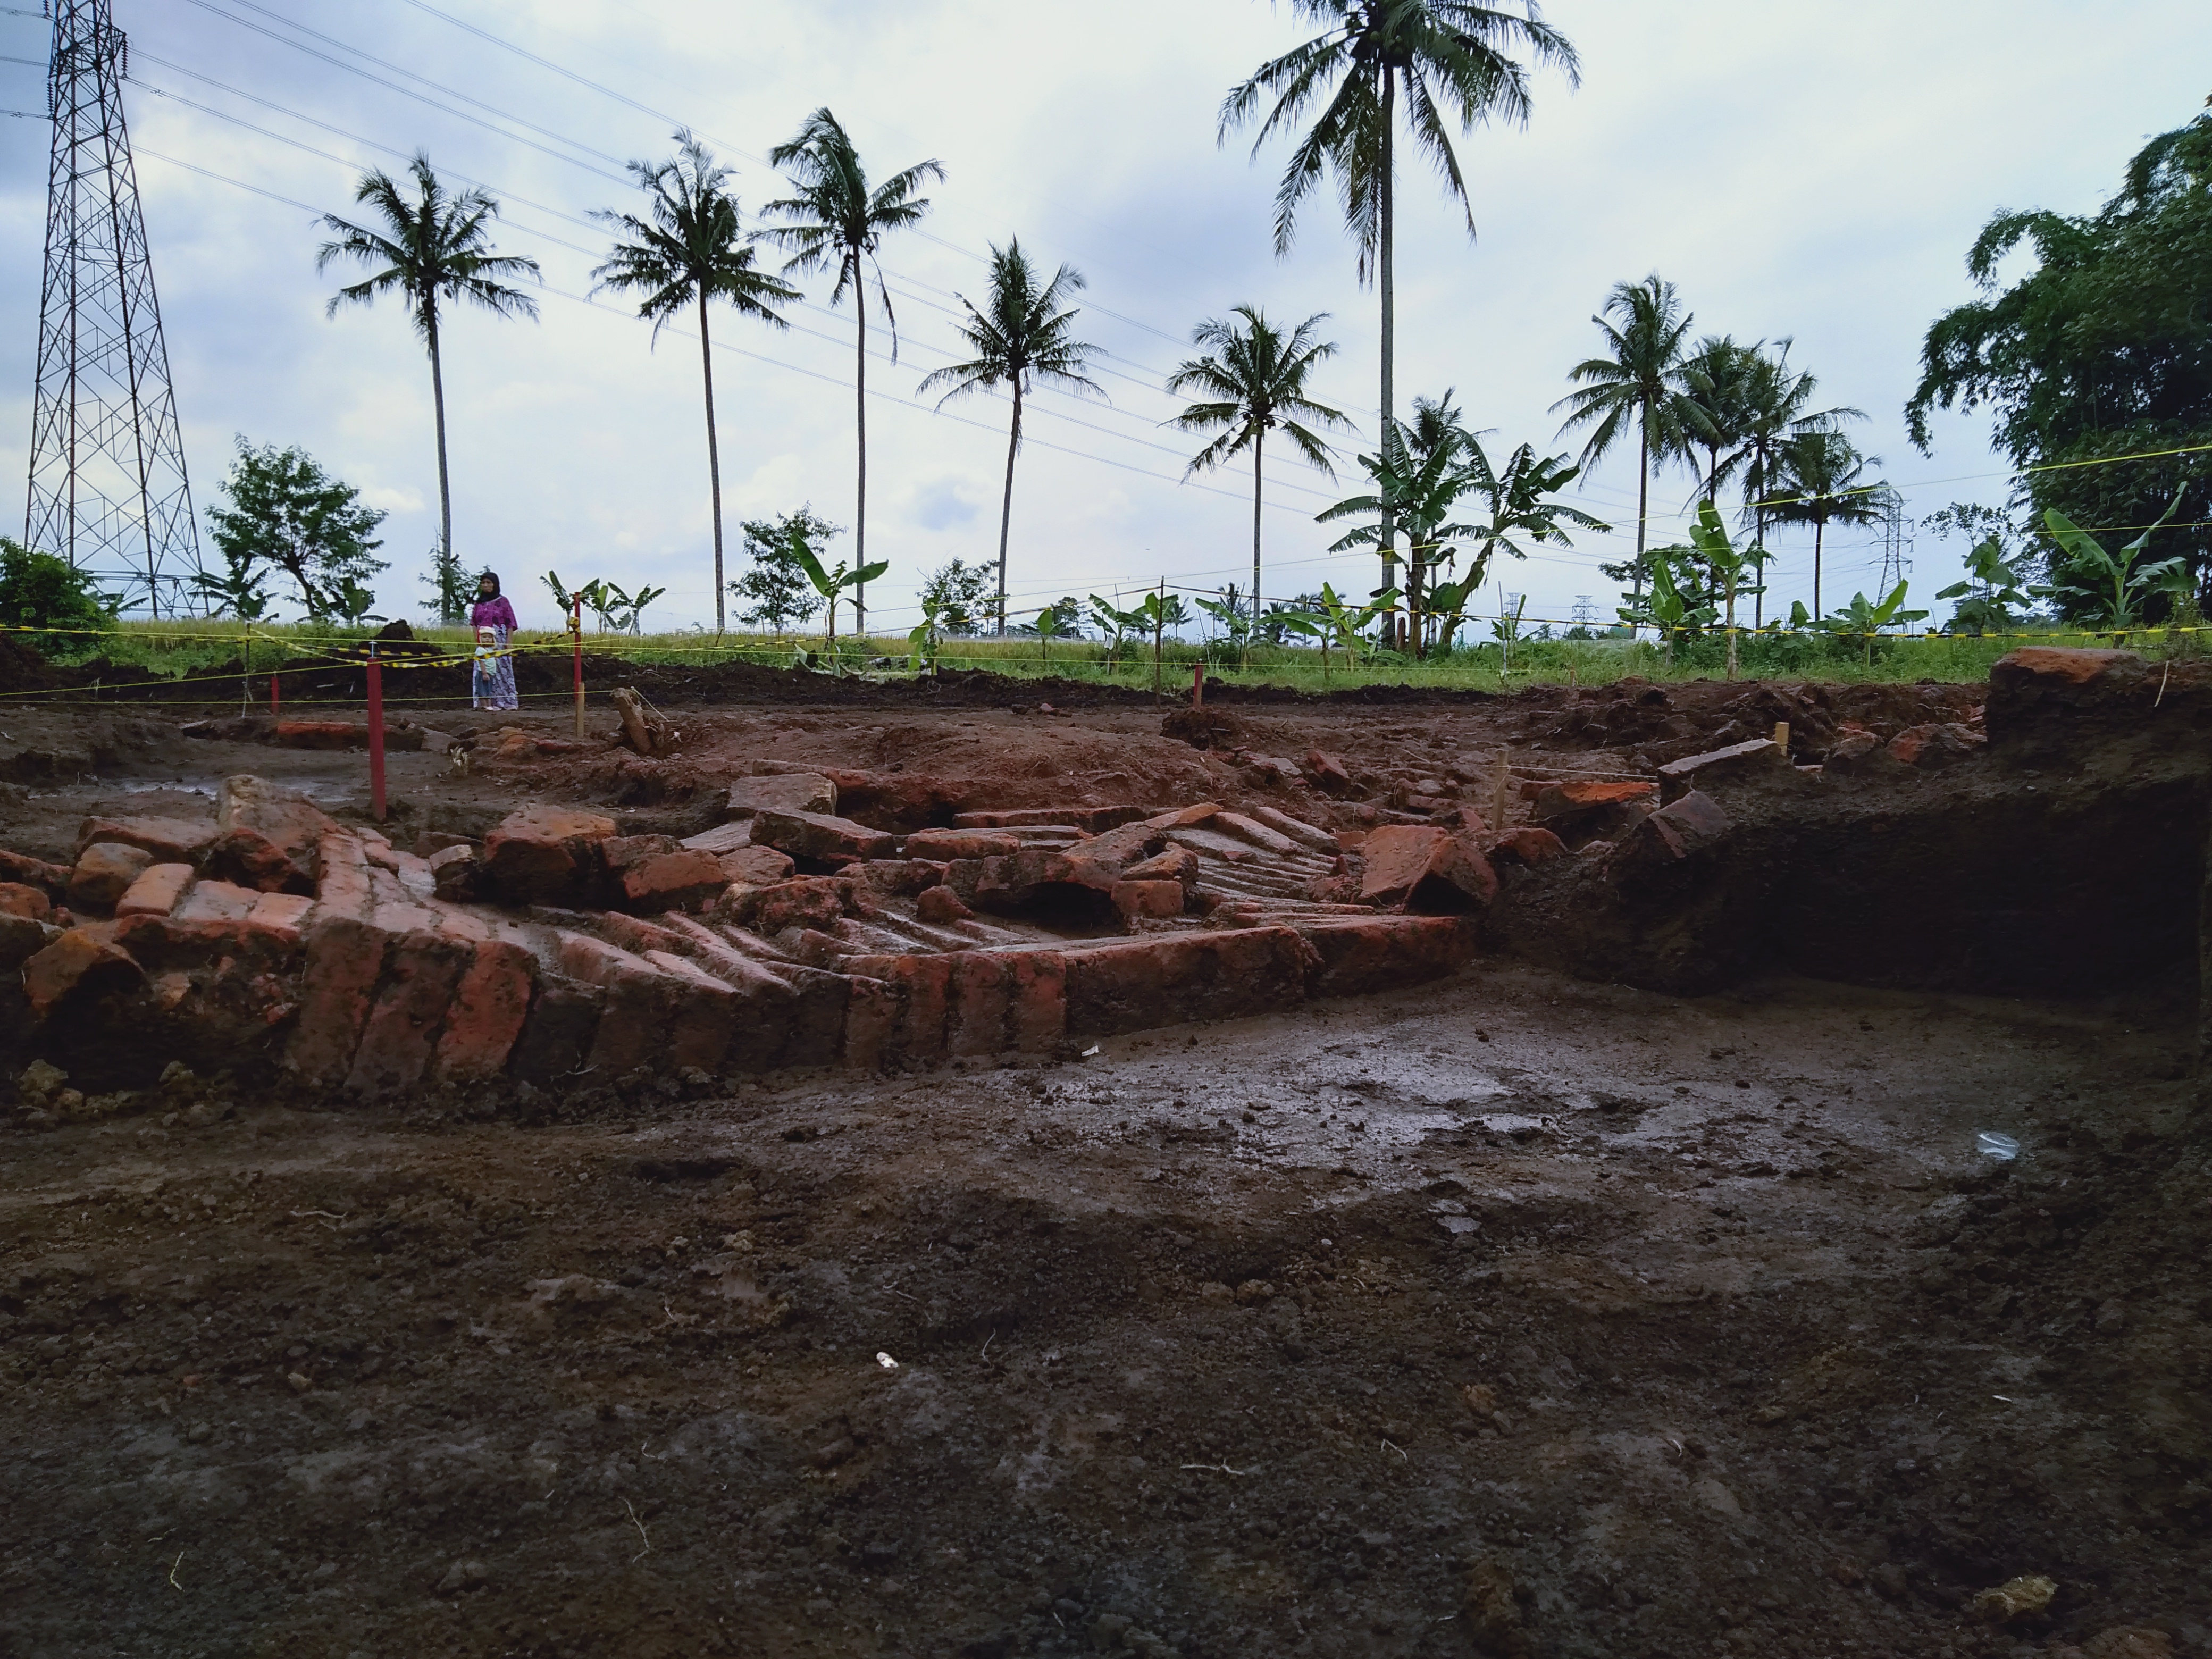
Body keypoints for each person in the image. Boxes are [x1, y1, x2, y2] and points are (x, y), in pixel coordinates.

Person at [468, 571, 520, 712]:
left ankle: (505, 702)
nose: (486, 585)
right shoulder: (478, 603)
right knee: (482, 669)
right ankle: (484, 703)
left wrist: (509, 643)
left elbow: (511, 623)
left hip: (499, 640)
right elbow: (474, 623)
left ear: (495, 585)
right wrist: (477, 641)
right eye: (483, 583)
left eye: (489, 583)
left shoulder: (503, 602)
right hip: (483, 642)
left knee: (501, 672)